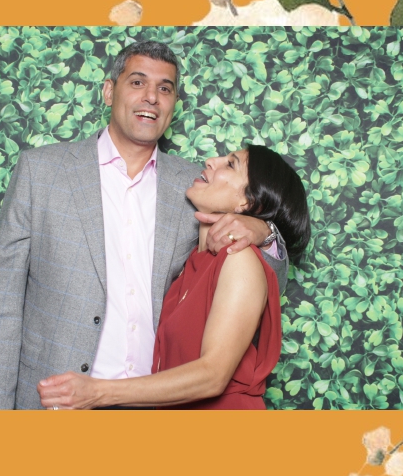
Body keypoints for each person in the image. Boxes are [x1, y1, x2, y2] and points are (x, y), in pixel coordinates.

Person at [0, 42, 289, 411]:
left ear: (174, 104)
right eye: (138, 82)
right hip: (55, 402)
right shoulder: (41, 172)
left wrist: (264, 232)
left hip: (158, 407)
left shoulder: (196, 186)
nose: (151, 97)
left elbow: (262, 287)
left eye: (165, 88)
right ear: (109, 91)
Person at [38, 143, 310, 411]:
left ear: (247, 202)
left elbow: (213, 376)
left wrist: (97, 392)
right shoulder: (189, 264)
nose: (211, 161)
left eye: (230, 164)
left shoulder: (239, 258)